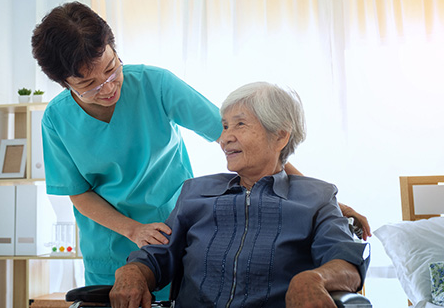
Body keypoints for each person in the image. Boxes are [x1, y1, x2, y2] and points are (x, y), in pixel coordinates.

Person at [30, 2, 370, 290]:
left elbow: (252, 147)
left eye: (111, 69)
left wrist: (320, 200)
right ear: (64, 83)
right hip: (111, 245)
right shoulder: (57, 120)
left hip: (174, 236)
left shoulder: (155, 84)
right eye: (89, 84)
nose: (107, 87)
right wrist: (133, 230)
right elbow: (79, 192)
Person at [110, 82, 370, 308]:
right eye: (224, 126)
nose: (224, 139)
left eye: (240, 124)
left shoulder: (317, 198)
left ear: (280, 135)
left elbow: (346, 262)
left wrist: (314, 278)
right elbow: (159, 255)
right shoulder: (195, 192)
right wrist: (133, 270)